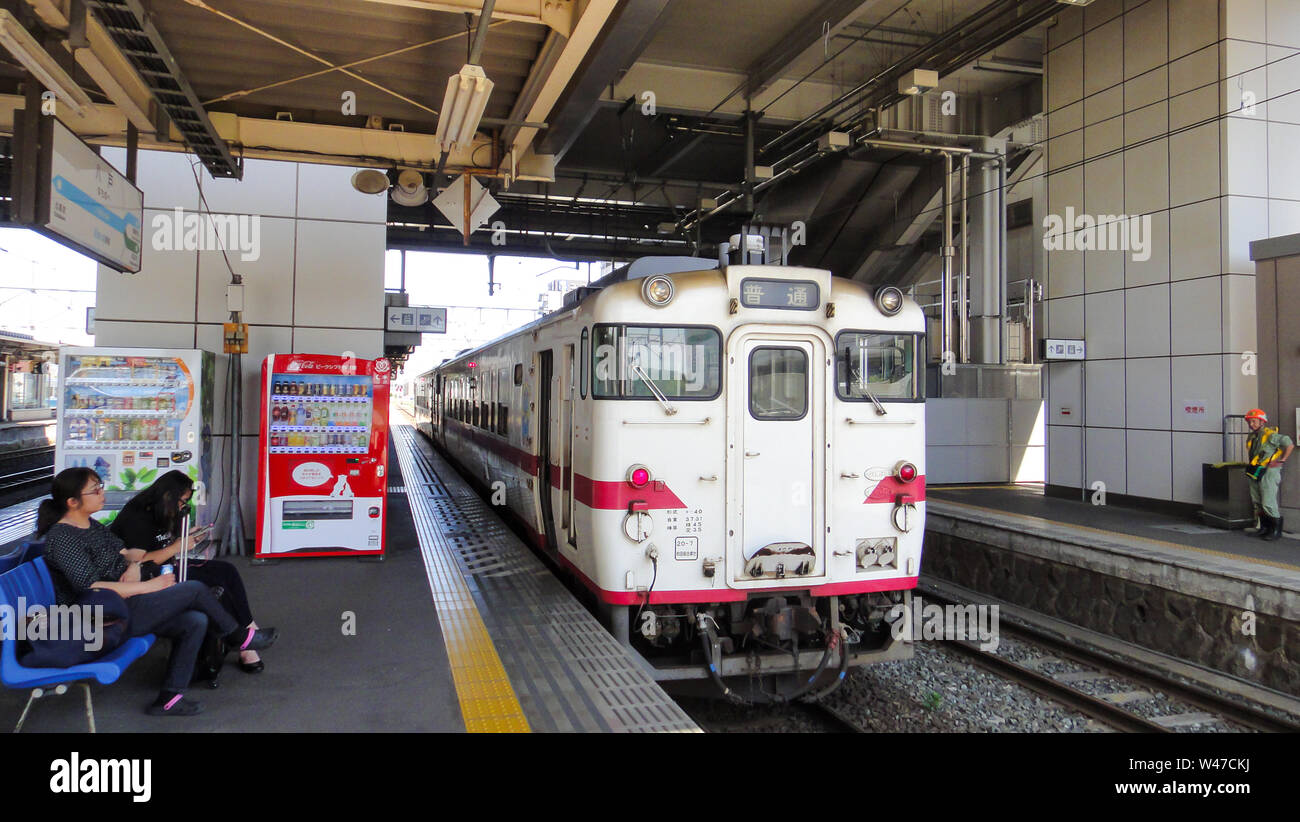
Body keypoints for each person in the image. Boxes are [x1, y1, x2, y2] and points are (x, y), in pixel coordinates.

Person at [38, 468, 277, 716]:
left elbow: (127, 553)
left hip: (123, 604)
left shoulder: (91, 525)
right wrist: (146, 586)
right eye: (95, 489)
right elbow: (90, 586)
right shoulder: (63, 537)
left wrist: (134, 565)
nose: (102, 493)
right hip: (99, 619)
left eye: (101, 485)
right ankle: (238, 637)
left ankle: (169, 698)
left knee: (195, 620)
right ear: (72, 501)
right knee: (193, 589)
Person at [110, 470, 273, 673]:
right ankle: (245, 640)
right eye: (182, 501)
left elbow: (169, 544)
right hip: (147, 577)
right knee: (215, 581)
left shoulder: (163, 511)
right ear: (168, 496)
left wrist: (187, 538)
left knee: (226, 570)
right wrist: (177, 547)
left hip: (165, 568)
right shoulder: (138, 517)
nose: (182, 506)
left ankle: (248, 630)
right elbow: (138, 562)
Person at [1243, 408, 1294, 541]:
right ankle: (1264, 528)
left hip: (1269, 472)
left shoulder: (1271, 435)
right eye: (1250, 422)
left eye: (1254, 421)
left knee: (1268, 501)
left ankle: (1275, 530)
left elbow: (1289, 444)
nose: (1251, 424)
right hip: (1255, 470)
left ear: (1261, 421)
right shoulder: (1252, 436)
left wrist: (1281, 460)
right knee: (1257, 501)